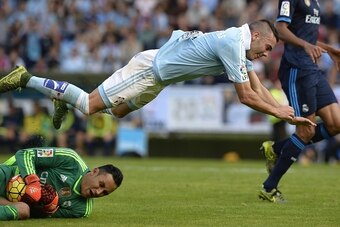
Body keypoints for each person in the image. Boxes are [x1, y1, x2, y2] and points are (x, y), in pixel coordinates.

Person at [0, 19, 315, 129]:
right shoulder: (234, 42)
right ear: (257, 36)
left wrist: (281, 110)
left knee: (120, 112)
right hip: (150, 70)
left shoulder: (240, 43)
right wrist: (279, 112)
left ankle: (62, 99)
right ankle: (26, 77)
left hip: (160, 79)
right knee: (89, 105)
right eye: (270, 47)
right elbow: (246, 96)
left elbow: (256, 84)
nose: (268, 55)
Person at [258, 0, 340, 203]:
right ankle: (269, 187)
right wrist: (305, 46)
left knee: (336, 123)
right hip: (296, 69)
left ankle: (276, 149)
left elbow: (306, 37)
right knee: (306, 130)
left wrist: (329, 49)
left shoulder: (315, 3)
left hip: (312, 69)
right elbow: (280, 29)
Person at [0, 147, 123, 220]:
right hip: (9, 176)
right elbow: (25, 154)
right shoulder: (71, 159)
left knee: (24, 211)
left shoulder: (81, 210)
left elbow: (36, 214)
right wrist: (33, 182)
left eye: (104, 193)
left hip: (10, 201)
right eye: (101, 185)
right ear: (95, 171)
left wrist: (46, 208)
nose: (98, 192)